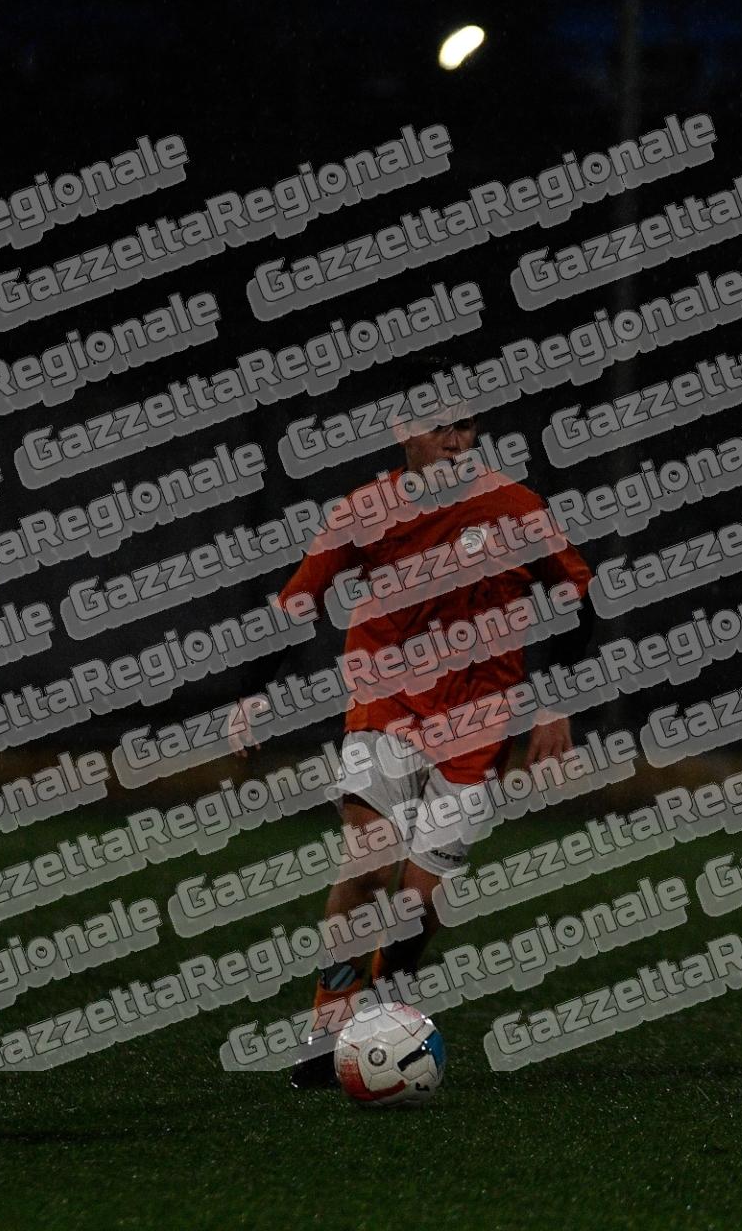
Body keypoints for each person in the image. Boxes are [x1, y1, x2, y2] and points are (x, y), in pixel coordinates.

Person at [225, 375, 594, 1088]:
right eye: (440, 426)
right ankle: (327, 1029)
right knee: (369, 863)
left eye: (466, 425)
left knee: (420, 903)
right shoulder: (366, 510)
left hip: (479, 727)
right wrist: (253, 694)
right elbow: (298, 602)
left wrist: (556, 701)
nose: (456, 440)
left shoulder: (515, 508)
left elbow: (579, 596)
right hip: (384, 711)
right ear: (403, 430)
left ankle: (383, 1010)